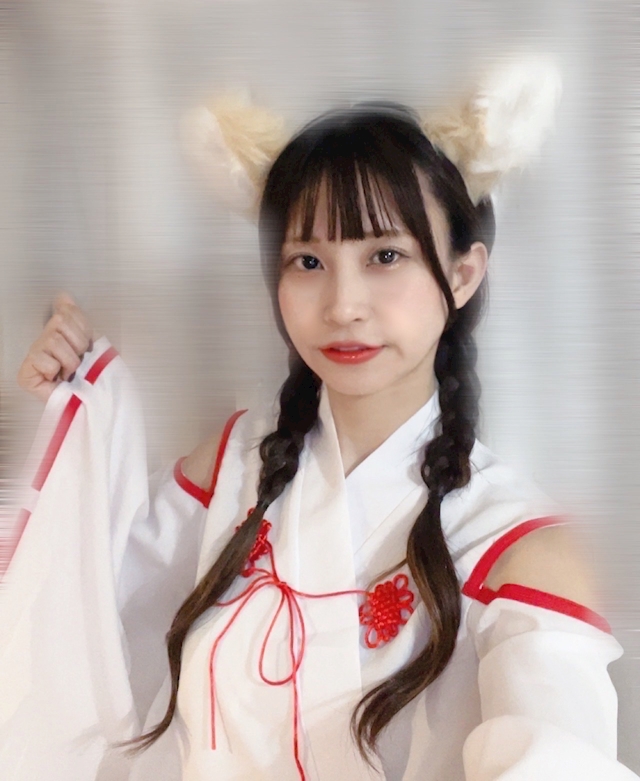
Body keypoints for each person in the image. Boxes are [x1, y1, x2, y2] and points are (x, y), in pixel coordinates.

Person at [4, 94, 638, 780]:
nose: (342, 306)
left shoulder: (517, 542)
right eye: (307, 261)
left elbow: (555, 756)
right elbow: (71, 607)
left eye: (385, 255)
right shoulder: (235, 467)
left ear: (462, 274)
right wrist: (78, 410)